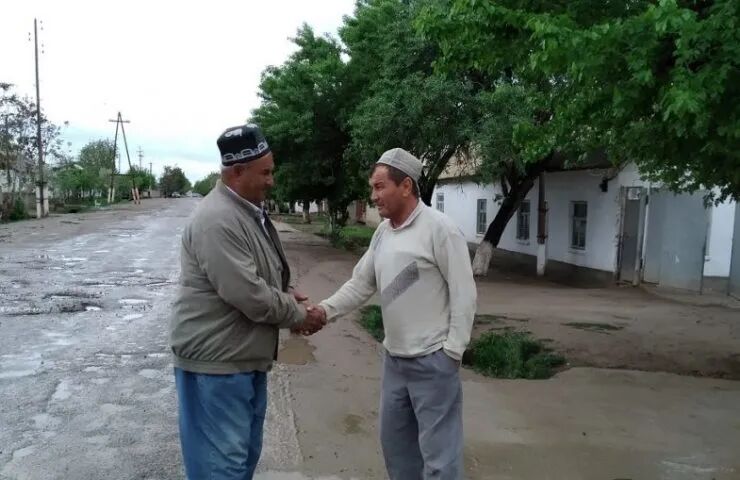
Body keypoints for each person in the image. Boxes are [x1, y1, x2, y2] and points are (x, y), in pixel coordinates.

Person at [169, 123, 326, 480]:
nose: (272, 181)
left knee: (240, 461)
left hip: (240, 358)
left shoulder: (245, 212)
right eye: (265, 173)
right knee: (221, 467)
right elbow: (249, 295)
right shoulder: (217, 219)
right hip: (216, 364)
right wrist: (298, 314)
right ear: (238, 172)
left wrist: (285, 292)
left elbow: (254, 275)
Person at [313, 148, 477, 480]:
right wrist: (323, 311)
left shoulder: (439, 229)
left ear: (405, 186)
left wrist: (452, 352)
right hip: (395, 362)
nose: (373, 196)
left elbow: (465, 293)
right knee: (398, 453)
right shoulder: (383, 233)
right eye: (372, 188)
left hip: (433, 361)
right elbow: (361, 284)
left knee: (440, 461)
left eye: (379, 187)